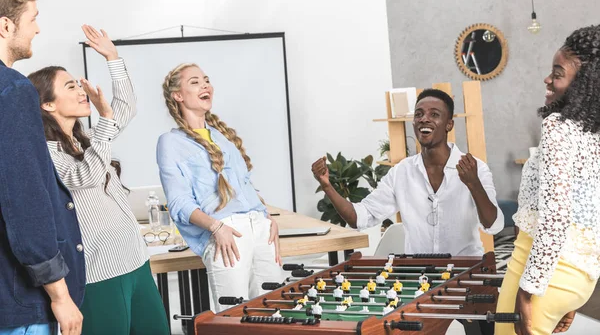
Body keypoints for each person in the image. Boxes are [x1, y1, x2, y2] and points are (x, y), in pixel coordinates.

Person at [28, 26, 168, 335]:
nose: (82, 91)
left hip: (136, 261)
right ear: (48, 104)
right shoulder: (45, 153)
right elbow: (85, 175)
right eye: (70, 87)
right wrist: (104, 122)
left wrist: (112, 58)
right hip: (98, 274)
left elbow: (126, 108)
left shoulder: (89, 140)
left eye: (79, 84)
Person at [311, 88, 504, 256]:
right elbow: (359, 217)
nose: (424, 119)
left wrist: (473, 184)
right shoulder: (401, 172)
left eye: (434, 114)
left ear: (449, 125)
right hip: (420, 274)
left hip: (466, 271)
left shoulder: (475, 168)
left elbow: (493, 225)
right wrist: (327, 186)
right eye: (418, 114)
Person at [496, 25, 600, 335]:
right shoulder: (594, 135)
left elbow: (556, 217)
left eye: (557, 73)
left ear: (581, 86)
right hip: (579, 276)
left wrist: (528, 292)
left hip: (540, 272)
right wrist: (572, 299)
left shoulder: (558, 127)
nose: (548, 79)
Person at [157, 63, 283, 312]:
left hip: (261, 230)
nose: (205, 85)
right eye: (194, 82)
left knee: (275, 313)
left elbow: (246, 185)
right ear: (178, 96)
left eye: (206, 80)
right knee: (233, 319)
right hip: (226, 234)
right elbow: (179, 203)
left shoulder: (222, 136)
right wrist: (216, 228)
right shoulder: (170, 143)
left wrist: (268, 218)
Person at [0, 0, 84, 335]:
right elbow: (24, 201)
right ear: (5, 26)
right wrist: (60, 295)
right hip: (21, 300)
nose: (37, 29)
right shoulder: (13, 91)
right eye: (33, 19)